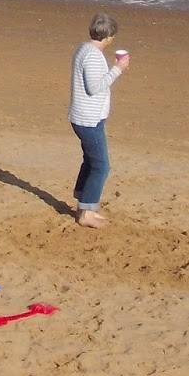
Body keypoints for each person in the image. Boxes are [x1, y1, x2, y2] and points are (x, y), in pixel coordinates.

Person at [68, 12, 129, 229]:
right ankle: (86, 211)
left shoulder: (83, 48)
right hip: (88, 119)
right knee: (102, 166)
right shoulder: (92, 55)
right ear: (109, 37)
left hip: (85, 117)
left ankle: (84, 204)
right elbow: (95, 87)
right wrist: (118, 69)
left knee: (91, 160)